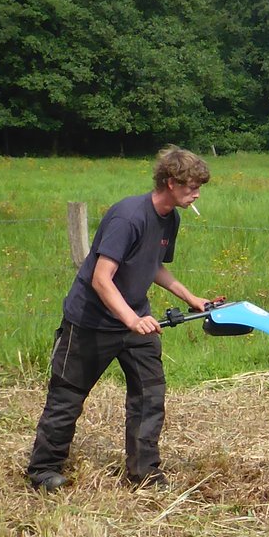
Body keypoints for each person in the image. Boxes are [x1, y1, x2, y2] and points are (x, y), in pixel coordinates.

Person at [25, 147, 220, 491]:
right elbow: (102, 278)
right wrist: (132, 320)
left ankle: (143, 473)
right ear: (171, 182)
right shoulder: (128, 216)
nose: (197, 193)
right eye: (191, 187)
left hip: (134, 319)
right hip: (91, 321)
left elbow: (153, 264)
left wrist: (192, 299)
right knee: (67, 396)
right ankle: (43, 470)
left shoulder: (170, 218)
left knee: (150, 394)